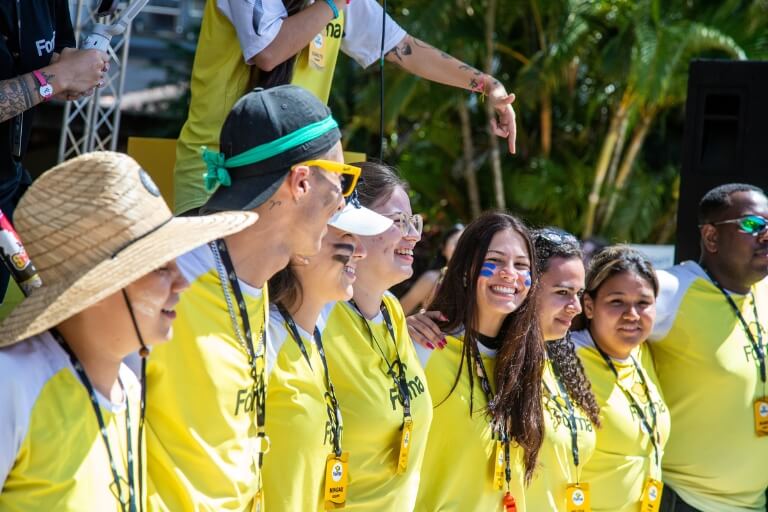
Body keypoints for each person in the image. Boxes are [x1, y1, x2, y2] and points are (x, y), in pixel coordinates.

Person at [0, 151, 255, 510]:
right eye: (159, 268)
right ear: (99, 287)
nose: (182, 282)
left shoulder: (127, 388)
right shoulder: (13, 384)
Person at [144, 85, 351, 511]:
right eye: (342, 178)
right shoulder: (168, 280)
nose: (343, 199)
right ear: (301, 181)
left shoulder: (254, 281)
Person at [172, 0, 518, 215]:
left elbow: (405, 48)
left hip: (293, 186)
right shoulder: (335, 2)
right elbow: (269, 51)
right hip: (217, 180)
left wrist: (487, 84)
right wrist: (335, 3)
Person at [318, 161, 433, 509]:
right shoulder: (319, 315)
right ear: (351, 225)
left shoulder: (393, 310)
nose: (413, 235)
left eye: (414, 222)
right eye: (398, 222)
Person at [263, 201, 392, 510]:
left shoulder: (314, 336)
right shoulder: (266, 337)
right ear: (301, 247)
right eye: (347, 238)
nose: (360, 252)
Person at [412, 211, 543, 512]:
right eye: (494, 261)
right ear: (465, 269)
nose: (509, 273)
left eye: (521, 265)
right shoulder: (425, 347)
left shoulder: (527, 362)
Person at [651, 183, 768, 512]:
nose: (765, 235)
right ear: (711, 237)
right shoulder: (670, 290)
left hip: (754, 504)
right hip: (683, 501)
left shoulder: (765, 292)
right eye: (752, 225)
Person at [0, 0, 110, 314]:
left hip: (11, 179)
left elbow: (54, 58)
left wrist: (75, 71)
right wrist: (58, 77)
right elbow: (55, 75)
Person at [571, 245, 671, 512]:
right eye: (617, 301)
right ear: (589, 306)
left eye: (643, 303)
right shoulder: (563, 355)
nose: (632, 315)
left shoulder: (641, 353)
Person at [526, 228, 601, 512]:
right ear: (525, 288)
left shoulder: (560, 359)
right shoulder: (492, 360)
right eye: (562, 293)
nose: (576, 307)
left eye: (578, 293)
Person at [399, 223, 464, 315]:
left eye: (466, 246)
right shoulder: (432, 278)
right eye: (457, 244)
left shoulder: (477, 282)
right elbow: (397, 314)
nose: (462, 250)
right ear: (443, 249)